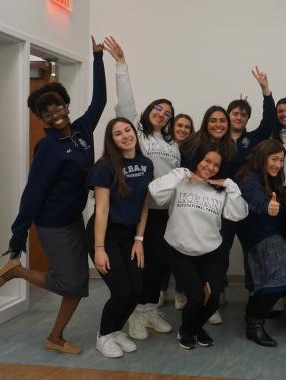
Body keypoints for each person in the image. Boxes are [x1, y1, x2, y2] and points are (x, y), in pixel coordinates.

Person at [0, 36, 107, 355]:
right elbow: (33, 193)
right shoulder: (48, 148)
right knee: (73, 283)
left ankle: (55, 336)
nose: (54, 114)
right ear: (41, 118)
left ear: (66, 106)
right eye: (46, 112)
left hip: (73, 217)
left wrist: (97, 58)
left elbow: (99, 101)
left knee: (78, 284)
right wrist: (18, 237)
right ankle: (18, 270)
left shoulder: (82, 130)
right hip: (53, 224)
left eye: (57, 107)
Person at [105, 36, 180, 340]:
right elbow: (125, 101)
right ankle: (135, 314)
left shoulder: (172, 143)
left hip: (165, 212)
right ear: (150, 111)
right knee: (141, 261)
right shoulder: (136, 130)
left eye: (167, 113)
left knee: (160, 263)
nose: (162, 114)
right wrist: (121, 63)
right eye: (159, 109)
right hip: (140, 210)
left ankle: (149, 308)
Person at [148, 143, 248, 350]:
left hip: (211, 251)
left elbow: (238, 213)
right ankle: (186, 330)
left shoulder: (220, 189)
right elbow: (154, 191)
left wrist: (230, 184)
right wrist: (183, 172)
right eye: (207, 161)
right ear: (198, 160)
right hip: (179, 249)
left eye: (216, 165)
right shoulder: (180, 181)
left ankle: (196, 328)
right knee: (195, 298)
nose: (210, 167)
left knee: (212, 300)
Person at [86, 117, 152, 358]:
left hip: (129, 236)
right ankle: (103, 336)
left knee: (137, 290)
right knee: (122, 291)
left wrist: (139, 240)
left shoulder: (146, 164)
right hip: (106, 235)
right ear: (111, 140)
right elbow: (101, 210)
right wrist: (99, 248)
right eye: (118, 133)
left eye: (128, 130)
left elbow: (144, 204)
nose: (125, 135)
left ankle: (116, 331)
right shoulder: (105, 167)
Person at [235, 139, 286, 347]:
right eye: (274, 159)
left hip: (270, 234)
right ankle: (254, 324)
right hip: (260, 236)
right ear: (263, 157)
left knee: (270, 280)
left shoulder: (272, 179)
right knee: (281, 277)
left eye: (281, 160)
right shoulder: (249, 176)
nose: (278, 164)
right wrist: (266, 206)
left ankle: (253, 319)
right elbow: (253, 196)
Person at [159, 113, 194, 310]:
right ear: (172, 128)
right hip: (163, 205)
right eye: (179, 125)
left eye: (187, 127)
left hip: (183, 207)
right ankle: (162, 289)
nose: (183, 129)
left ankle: (181, 290)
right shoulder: (163, 148)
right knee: (163, 250)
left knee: (181, 250)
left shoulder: (193, 150)